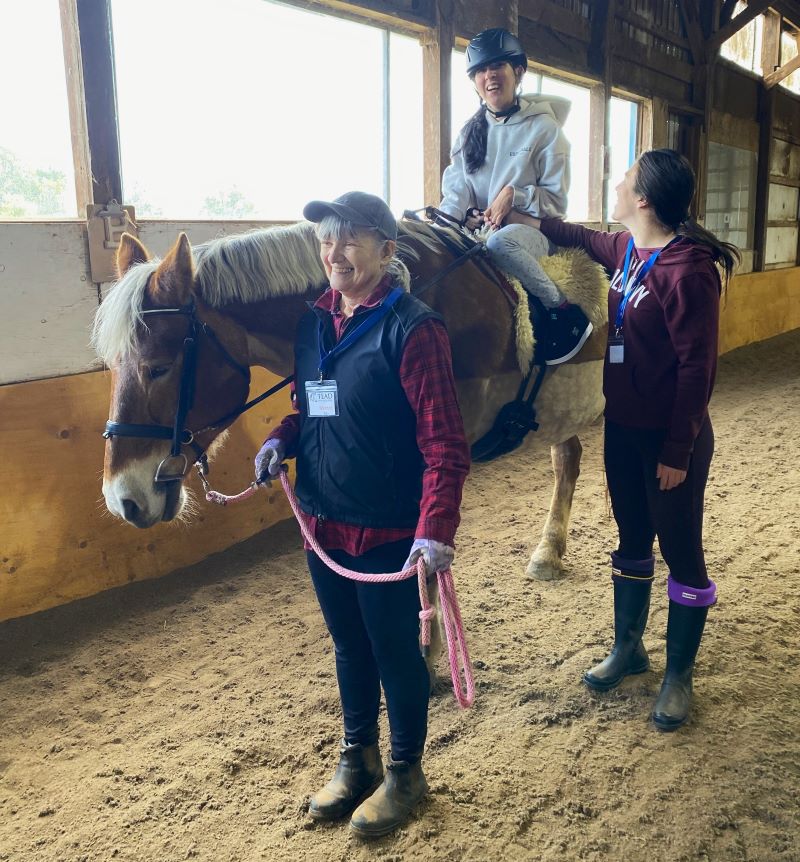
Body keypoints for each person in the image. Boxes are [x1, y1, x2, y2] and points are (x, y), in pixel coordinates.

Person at [254, 191, 470, 835]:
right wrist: (280, 438)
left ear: (386, 250)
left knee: (395, 653)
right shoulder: (314, 323)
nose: (334, 252)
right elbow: (312, 405)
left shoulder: (416, 329)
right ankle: (360, 759)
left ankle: (406, 773)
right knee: (349, 648)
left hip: (389, 529)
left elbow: (444, 445)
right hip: (323, 522)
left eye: (350, 239)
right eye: (326, 239)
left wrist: (435, 530)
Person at [529, 149, 739, 730]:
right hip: (621, 429)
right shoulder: (628, 251)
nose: (616, 185)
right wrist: (525, 218)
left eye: (624, 181)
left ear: (643, 199)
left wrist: (677, 450)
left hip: (671, 443)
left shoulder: (688, 271)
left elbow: (699, 369)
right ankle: (629, 648)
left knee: (683, 554)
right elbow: (577, 235)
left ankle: (678, 676)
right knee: (630, 541)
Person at [439, 26, 593, 365]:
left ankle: (561, 311)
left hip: (530, 235)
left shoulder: (545, 129)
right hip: (479, 228)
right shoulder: (469, 132)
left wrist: (515, 194)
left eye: (498, 67)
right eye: (480, 70)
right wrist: (451, 220)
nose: (489, 76)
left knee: (501, 243)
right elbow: (456, 190)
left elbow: (556, 203)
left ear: (518, 72)